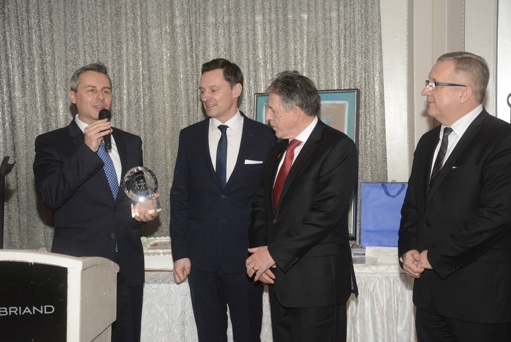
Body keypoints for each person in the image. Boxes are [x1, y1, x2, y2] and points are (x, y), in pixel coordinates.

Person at [33, 62, 158, 342]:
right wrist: (88, 149)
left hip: (126, 265)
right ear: (73, 96)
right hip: (82, 265)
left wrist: (144, 210)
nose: (100, 97)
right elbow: (50, 196)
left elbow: (132, 195)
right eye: (91, 90)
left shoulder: (130, 142)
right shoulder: (52, 143)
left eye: (106, 91)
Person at [398, 51, 511, 341]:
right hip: (429, 298)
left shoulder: (502, 140)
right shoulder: (428, 141)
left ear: (465, 93)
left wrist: (434, 257)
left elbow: (496, 216)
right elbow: (413, 206)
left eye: (434, 83)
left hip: (480, 300)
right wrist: (408, 250)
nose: (426, 91)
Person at [246, 71, 358, 342]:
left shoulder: (338, 147)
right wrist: (263, 257)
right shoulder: (276, 150)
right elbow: (262, 206)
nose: (268, 117)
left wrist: (272, 253)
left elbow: (326, 214)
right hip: (278, 281)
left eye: (272, 110)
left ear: (295, 111)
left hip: (317, 286)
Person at [170, 58, 276, 341]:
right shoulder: (189, 137)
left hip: (247, 259)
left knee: (247, 334)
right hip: (200, 259)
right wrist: (180, 251)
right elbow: (179, 197)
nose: (206, 97)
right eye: (202, 90)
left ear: (236, 89)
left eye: (214, 89)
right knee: (209, 335)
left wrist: (268, 250)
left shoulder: (265, 137)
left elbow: (273, 202)